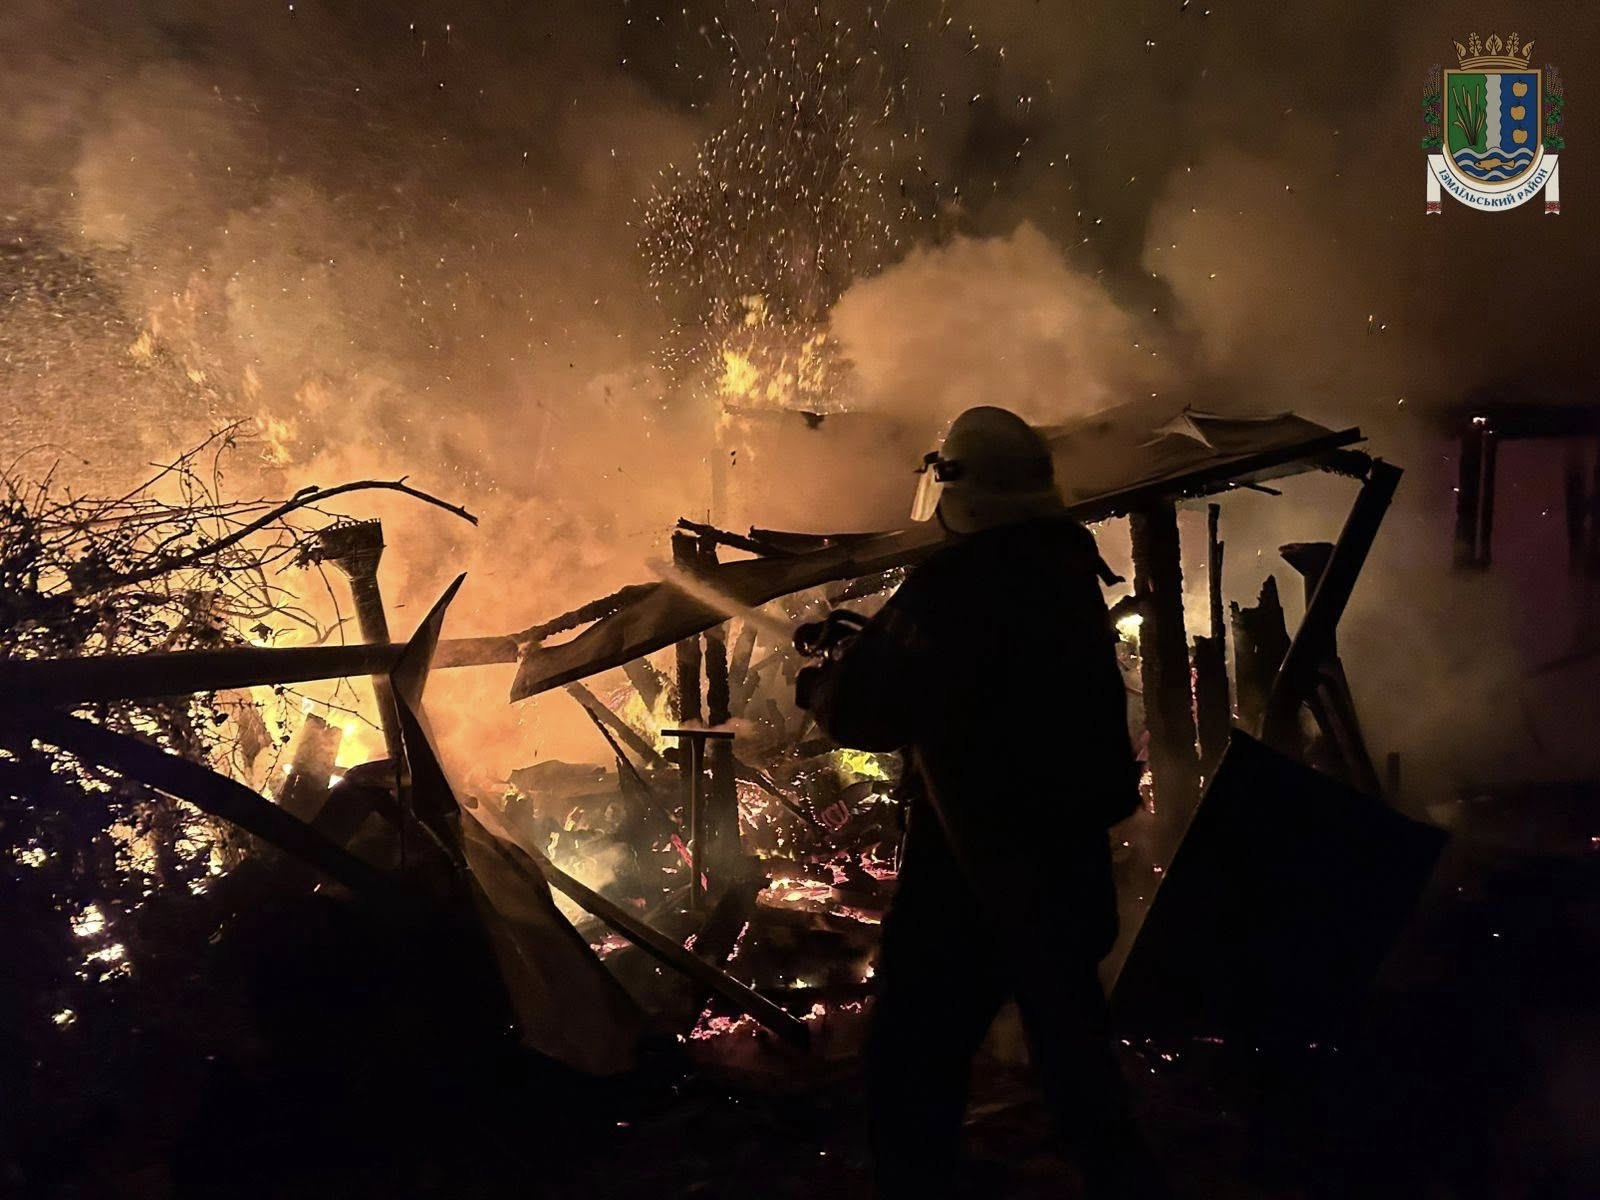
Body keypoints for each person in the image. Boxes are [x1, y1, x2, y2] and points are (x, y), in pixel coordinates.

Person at [796, 406, 1165, 1198]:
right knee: (1072, 1043)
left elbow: (868, 711)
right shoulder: (1066, 563)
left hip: (974, 867)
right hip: (1063, 857)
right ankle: (1120, 1174)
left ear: (952, 486)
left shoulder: (956, 583)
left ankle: (920, 1183)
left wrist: (823, 678)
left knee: (912, 1051)